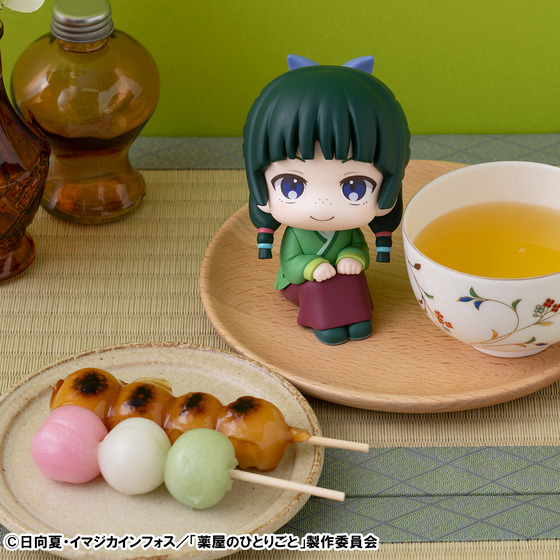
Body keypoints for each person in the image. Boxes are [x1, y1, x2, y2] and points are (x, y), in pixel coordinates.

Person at [243, 55, 410, 345]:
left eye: (355, 188)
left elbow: (358, 247)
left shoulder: (349, 231)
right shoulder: (297, 234)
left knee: (353, 278)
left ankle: (358, 319)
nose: (322, 205)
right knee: (317, 285)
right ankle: (325, 323)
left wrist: (353, 256)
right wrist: (311, 267)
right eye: (292, 186)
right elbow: (291, 262)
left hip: (340, 281)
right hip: (300, 284)